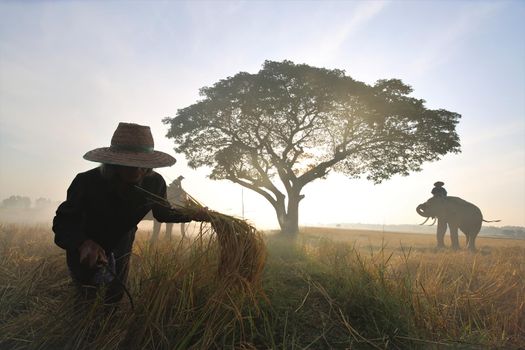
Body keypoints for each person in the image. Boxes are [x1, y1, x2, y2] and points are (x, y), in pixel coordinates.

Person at [52, 122, 208, 303]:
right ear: (114, 163)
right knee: (87, 297)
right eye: (131, 164)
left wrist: (192, 214)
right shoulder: (86, 182)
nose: (139, 170)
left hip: (122, 241)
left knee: (115, 295)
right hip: (87, 244)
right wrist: (83, 243)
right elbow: (64, 222)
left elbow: (163, 213)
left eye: (144, 165)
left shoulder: (154, 182)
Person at [431, 181, 449, 248]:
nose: (439, 186)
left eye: (440, 185)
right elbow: (433, 193)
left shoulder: (443, 189)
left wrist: (441, 195)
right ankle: (432, 213)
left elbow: (445, 194)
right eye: (438, 185)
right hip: (436, 200)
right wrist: (437, 195)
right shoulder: (435, 189)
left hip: (442, 199)